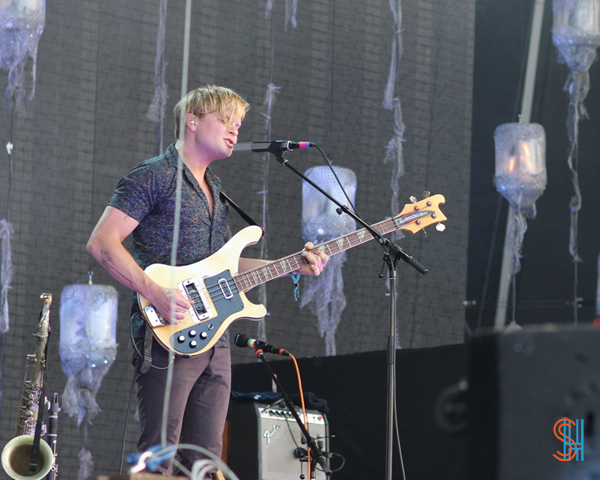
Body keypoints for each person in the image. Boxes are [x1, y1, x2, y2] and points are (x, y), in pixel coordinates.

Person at [86, 85, 328, 475]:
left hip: (213, 336)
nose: (234, 130)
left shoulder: (215, 188)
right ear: (192, 121)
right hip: (167, 327)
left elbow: (225, 271)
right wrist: (154, 292)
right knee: (159, 455)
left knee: (206, 460)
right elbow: (101, 243)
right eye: (225, 120)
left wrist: (293, 265)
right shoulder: (154, 175)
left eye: (238, 124)